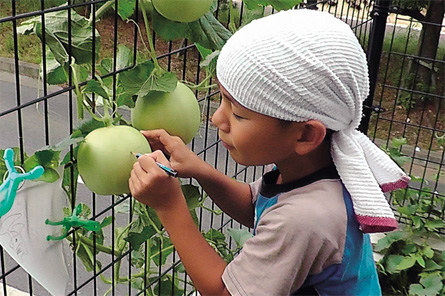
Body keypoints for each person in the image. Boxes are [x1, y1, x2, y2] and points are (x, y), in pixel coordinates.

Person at [129, 9, 410, 295]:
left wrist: (169, 205)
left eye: (237, 113)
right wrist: (200, 169)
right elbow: (256, 207)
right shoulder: (312, 169)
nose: (216, 119)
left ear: (306, 134)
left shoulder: (306, 217)